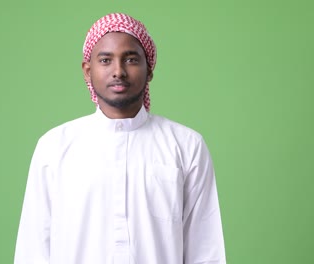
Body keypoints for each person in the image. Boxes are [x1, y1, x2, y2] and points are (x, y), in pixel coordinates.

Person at [14, 13, 226, 264]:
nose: (118, 71)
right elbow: (33, 250)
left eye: (131, 59)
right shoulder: (54, 147)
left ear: (149, 70)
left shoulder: (186, 146)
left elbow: (206, 251)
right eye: (105, 60)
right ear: (87, 70)